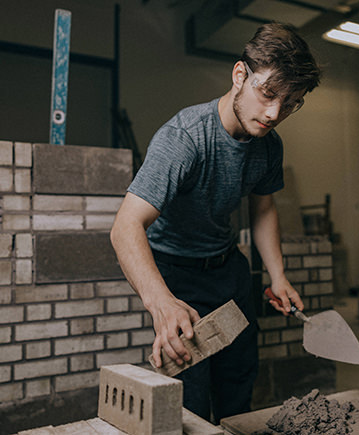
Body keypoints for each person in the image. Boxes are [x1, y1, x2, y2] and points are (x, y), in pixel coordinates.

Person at [110, 22, 321, 422]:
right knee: (190, 400)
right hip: (176, 274)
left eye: (291, 103)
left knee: (239, 383)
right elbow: (125, 227)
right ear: (240, 75)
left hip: (227, 269)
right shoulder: (185, 138)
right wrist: (162, 304)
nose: (275, 113)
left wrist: (278, 275)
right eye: (268, 94)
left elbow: (263, 209)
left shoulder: (268, 146)